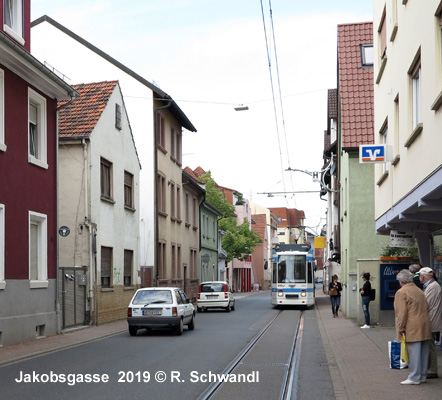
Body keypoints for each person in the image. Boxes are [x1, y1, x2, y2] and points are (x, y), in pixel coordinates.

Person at [394, 269, 432, 385]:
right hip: (425, 323)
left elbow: (401, 313)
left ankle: (414, 376)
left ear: (401, 281)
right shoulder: (419, 290)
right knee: (424, 351)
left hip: (412, 325)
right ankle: (422, 375)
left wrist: (400, 329)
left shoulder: (401, 292)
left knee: (414, 351)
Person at [418, 267, 442, 379]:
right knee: (429, 344)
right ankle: (429, 369)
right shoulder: (432, 285)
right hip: (431, 319)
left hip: (431, 320)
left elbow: (425, 303)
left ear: (423, 276)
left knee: (430, 345)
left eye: (419, 276)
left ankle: (432, 370)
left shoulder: (433, 287)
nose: (419, 278)